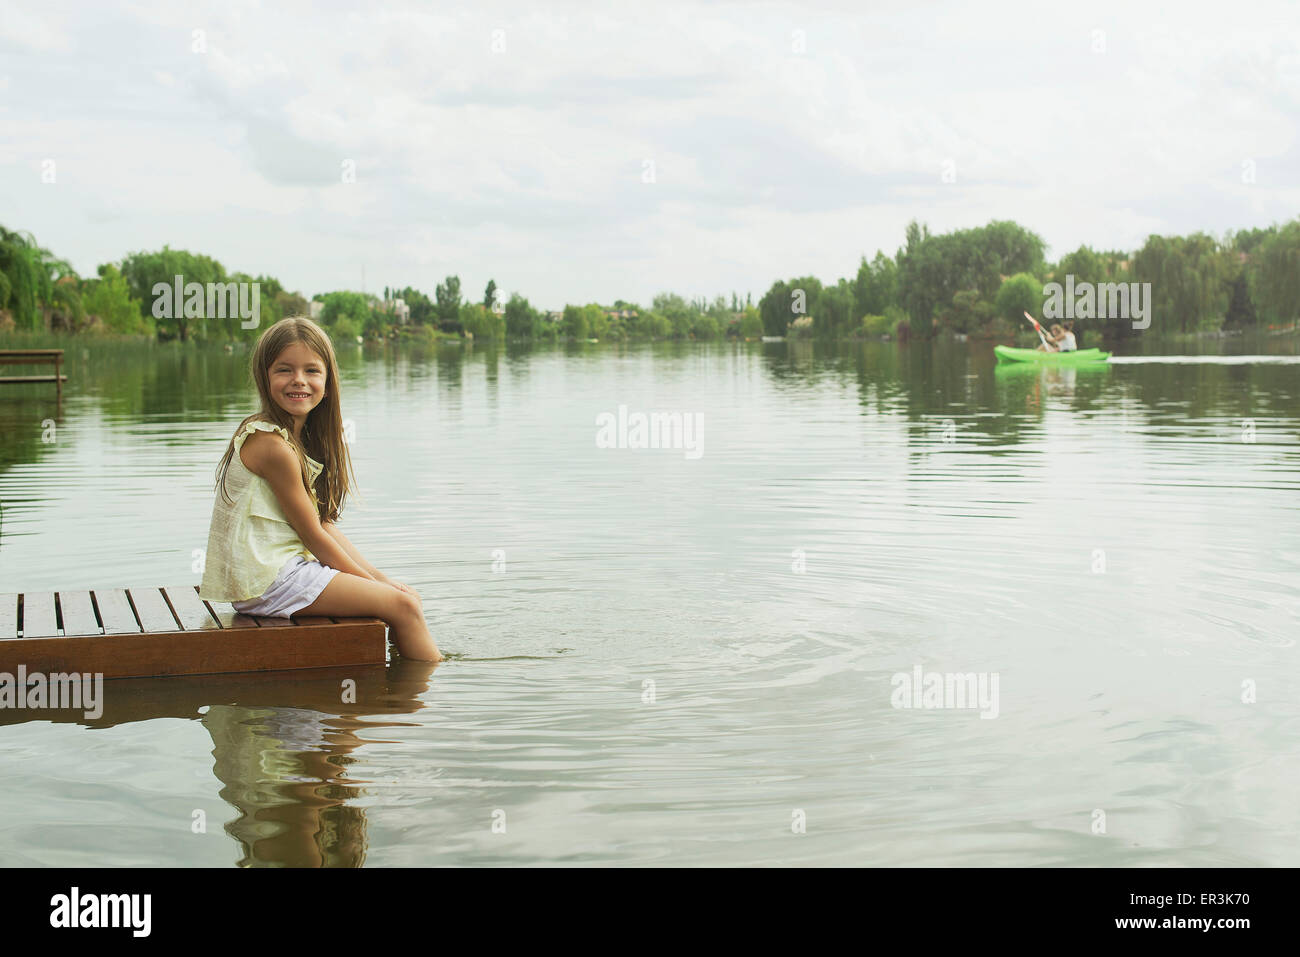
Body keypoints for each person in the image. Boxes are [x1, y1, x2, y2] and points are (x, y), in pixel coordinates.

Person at [199, 316, 443, 662]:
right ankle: (429, 696)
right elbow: (313, 536)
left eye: (312, 371)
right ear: (264, 377)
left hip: (275, 575)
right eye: (284, 369)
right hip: (267, 582)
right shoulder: (273, 446)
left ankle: (401, 680)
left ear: (327, 383)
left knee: (404, 597)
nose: (299, 380)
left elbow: (324, 523)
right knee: (403, 607)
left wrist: (381, 578)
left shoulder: (293, 439)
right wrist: (379, 589)